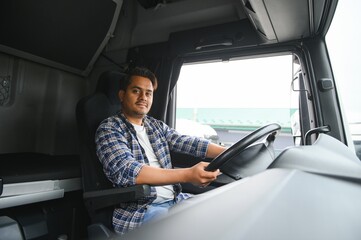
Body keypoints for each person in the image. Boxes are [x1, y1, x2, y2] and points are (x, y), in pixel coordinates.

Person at [95, 67, 226, 235]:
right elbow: (128, 171)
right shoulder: (109, 128)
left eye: (148, 93)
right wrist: (188, 175)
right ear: (122, 95)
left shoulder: (155, 125)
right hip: (142, 209)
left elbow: (188, 143)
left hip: (175, 200)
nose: (143, 98)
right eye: (136, 91)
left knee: (219, 215)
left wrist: (228, 151)